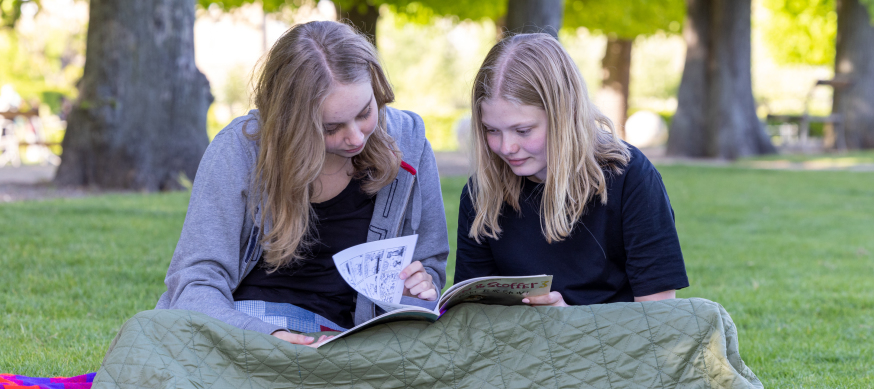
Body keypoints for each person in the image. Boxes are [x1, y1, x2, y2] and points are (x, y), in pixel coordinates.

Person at [155, 21, 448, 348]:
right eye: (331, 127)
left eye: (365, 112)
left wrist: (414, 293)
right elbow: (194, 285)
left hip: (348, 341)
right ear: (290, 121)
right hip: (244, 329)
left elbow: (430, 276)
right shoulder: (239, 150)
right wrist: (269, 338)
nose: (355, 137)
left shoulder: (410, 145)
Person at [455, 33, 688, 307]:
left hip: (616, 347)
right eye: (492, 130)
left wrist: (571, 324)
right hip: (517, 346)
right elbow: (471, 315)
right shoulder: (482, 192)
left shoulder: (629, 176)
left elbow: (658, 314)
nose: (507, 147)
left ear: (563, 115)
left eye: (523, 130)